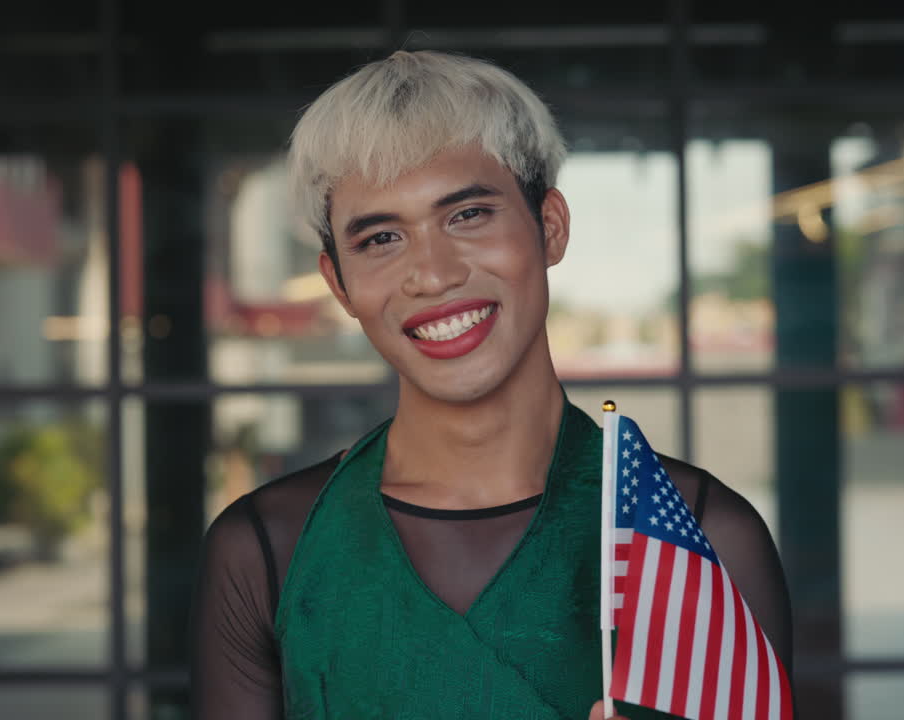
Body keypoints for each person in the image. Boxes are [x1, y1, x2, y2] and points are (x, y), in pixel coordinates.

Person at [191, 50, 792, 720]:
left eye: (468, 215)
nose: (434, 273)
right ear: (338, 284)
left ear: (551, 227)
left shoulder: (697, 534)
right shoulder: (269, 549)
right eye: (382, 238)